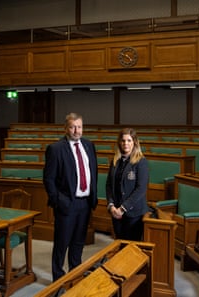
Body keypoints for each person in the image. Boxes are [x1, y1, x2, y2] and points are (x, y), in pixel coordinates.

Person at [43, 112, 98, 281]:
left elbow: (93, 171)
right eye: (73, 127)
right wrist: (59, 201)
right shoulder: (56, 149)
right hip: (67, 204)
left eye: (79, 127)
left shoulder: (89, 145)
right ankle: (58, 279)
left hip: (85, 203)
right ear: (66, 128)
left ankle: (75, 273)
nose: (76, 130)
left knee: (78, 243)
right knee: (62, 244)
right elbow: (48, 179)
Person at [106, 128, 149, 241]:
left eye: (129, 140)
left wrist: (123, 208)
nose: (126, 144)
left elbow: (141, 189)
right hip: (115, 212)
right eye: (123, 140)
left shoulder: (141, 161)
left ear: (134, 142)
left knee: (131, 248)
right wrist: (111, 205)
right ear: (119, 142)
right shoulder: (115, 161)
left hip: (133, 213)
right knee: (119, 243)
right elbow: (109, 185)